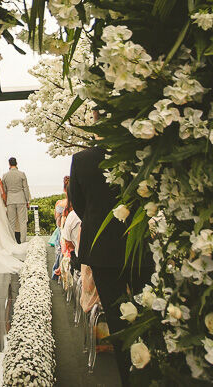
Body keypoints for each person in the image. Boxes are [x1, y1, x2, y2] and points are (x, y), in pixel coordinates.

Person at [69, 131, 130, 385]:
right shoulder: (135, 153)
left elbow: (79, 204)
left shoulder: (82, 159)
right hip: (140, 244)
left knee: (117, 317)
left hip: (102, 246)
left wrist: (98, 226)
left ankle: (129, 374)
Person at [2, 157, 31, 243]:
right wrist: (27, 201)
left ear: (9, 164)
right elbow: (26, 188)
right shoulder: (22, 174)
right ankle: (23, 241)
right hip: (21, 199)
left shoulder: (5, 175)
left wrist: (5, 201)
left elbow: (4, 190)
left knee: (11, 222)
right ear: (16, 163)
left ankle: (12, 241)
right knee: (22, 222)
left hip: (10, 200)